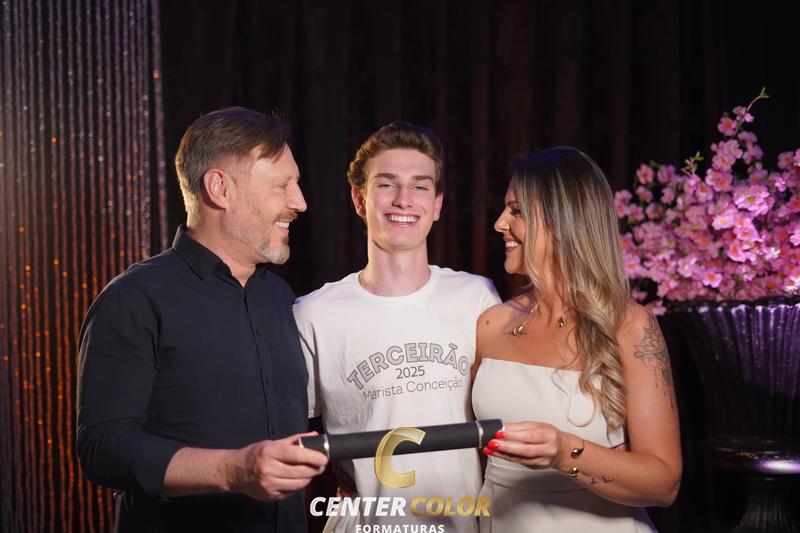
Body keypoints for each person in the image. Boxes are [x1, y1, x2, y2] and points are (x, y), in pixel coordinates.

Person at [76, 107, 328, 532]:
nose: (299, 202)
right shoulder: (134, 298)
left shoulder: (281, 298)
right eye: (282, 185)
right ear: (219, 188)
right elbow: (103, 447)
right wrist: (234, 470)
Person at [293, 122, 500, 531]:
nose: (403, 199)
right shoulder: (314, 314)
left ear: (437, 205)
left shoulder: (476, 297)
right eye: (387, 184)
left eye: (420, 186)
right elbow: (279, 435)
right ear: (360, 198)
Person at [472, 147, 681, 532]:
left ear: (561, 221)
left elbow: (664, 483)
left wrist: (564, 451)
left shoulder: (630, 325)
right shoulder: (491, 324)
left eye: (516, 211)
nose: (499, 223)